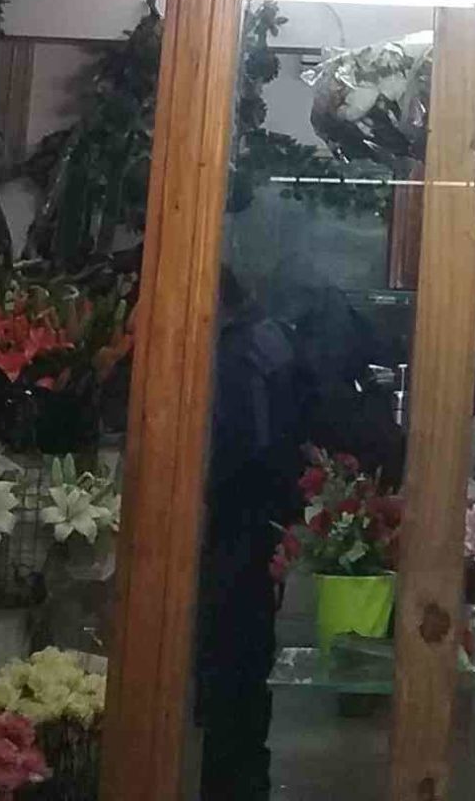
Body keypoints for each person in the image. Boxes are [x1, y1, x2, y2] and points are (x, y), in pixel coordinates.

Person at [193, 267, 303, 801]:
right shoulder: (269, 341)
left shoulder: (239, 353)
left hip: (235, 525)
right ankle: (243, 775)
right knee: (246, 664)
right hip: (262, 522)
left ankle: (229, 782)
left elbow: (245, 446)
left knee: (227, 662)